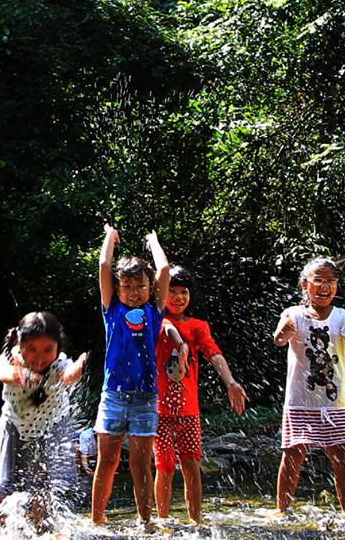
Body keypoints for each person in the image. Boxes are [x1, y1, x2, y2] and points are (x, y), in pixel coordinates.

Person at [92, 225, 186, 527]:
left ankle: (145, 523)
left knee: (141, 465)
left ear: (149, 288)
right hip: (113, 397)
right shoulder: (111, 310)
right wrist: (110, 237)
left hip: (146, 398)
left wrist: (154, 241)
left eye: (140, 287)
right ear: (118, 290)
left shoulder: (154, 311)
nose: (134, 293)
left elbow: (165, 269)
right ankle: (97, 521)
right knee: (106, 462)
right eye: (128, 287)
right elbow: (105, 265)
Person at [272, 257, 345, 519]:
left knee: (341, 454)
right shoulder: (293, 314)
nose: (325, 286)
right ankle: (282, 511)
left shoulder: (343, 316)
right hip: (300, 399)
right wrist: (283, 331)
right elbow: (279, 340)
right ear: (305, 285)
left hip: (334, 400)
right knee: (293, 454)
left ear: (336, 286)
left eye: (331, 281)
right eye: (319, 280)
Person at [153, 265, 247, 523]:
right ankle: (162, 521)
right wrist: (180, 345)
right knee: (165, 466)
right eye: (171, 291)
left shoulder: (197, 326)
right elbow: (168, 328)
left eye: (183, 291)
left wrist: (230, 382)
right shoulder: (155, 321)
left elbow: (213, 354)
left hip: (189, 411)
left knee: (192, 465)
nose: (178, 297)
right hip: (158, 411)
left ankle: (196, 522)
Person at [0, 312, 88, 531]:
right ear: (20, 344)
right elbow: (1, 372)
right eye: (32, 350)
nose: (39, 358)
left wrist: (76, 370)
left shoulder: (58, 363)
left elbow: (68, 373)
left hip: (47, 430)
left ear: (57, 346)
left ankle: (43, 529)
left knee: (42, 484)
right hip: (14, 428)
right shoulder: (11, 357)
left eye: (48, 350)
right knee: (4, 486)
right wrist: (19, 376)